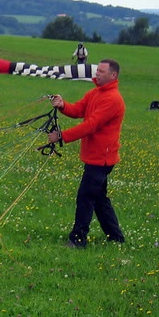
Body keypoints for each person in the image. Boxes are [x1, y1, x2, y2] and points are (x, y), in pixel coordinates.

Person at [47, 59, 126, 248]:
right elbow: (78, 110)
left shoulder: (113, 99)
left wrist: (61, 136)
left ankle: (78, 239)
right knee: (99, 198)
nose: (97, 73)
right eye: (97, 70)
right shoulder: (94, 93)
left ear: (113, 75)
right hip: (94, 156)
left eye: (101, 71)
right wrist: (62, 105)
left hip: (102, 158)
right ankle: (116, 237)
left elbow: (91, 125)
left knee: (86, 197)